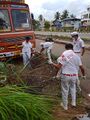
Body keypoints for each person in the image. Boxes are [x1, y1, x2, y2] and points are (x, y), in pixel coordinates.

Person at [49, 43, 85, 110]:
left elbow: (58, 67)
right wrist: (83, 75)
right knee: (73, 88)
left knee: (65, 90)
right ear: (72, 48)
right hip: (74, 76)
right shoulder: (77, 56)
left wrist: (51, 63)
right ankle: (73, 103)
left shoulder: (64, 54)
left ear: (66, 48)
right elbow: (82, 68)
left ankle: (65, 106)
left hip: (66, 75)